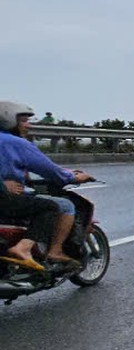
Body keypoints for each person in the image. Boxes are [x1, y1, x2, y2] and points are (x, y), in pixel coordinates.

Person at [0, 101, 94, 270]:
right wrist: (75, 177)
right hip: (4, 200)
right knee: (59, 206)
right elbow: (50, 170)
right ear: (9, 121)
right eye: (23, 120)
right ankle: (51, 251)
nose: (28, 125)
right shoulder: (15, 143)